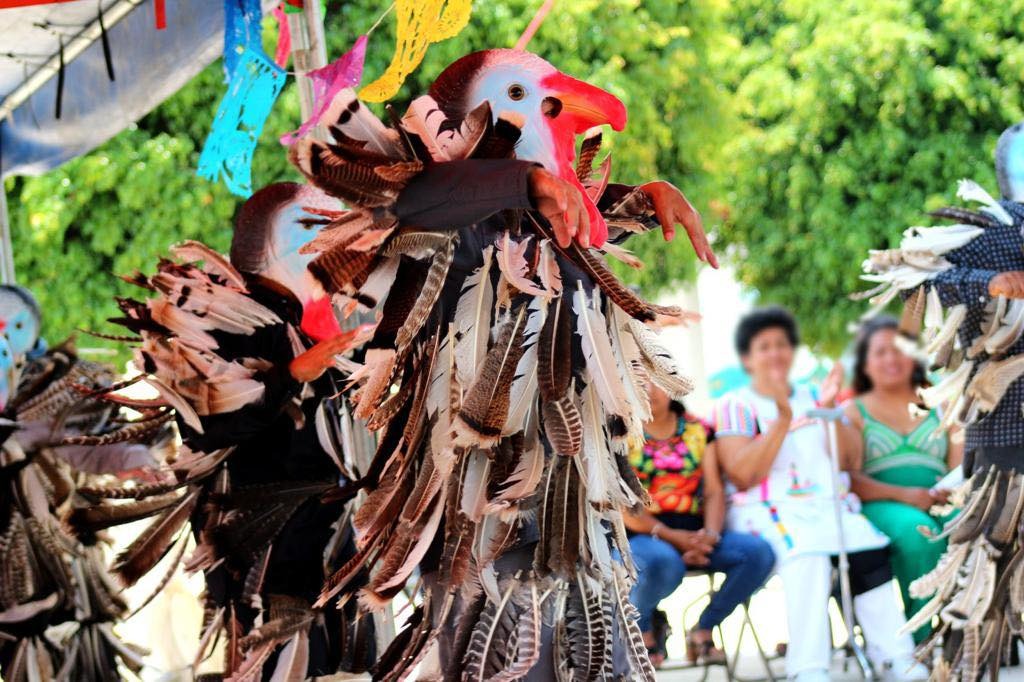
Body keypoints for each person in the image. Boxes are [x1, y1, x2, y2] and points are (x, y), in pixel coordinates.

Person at [858, 121, 1024, 677]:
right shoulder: (993, 232)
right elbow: (917, 278)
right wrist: (995, 282)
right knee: (985, 574)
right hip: (1002, 430)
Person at [714, 306, 926, 681]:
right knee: (808, 556)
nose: (776, 353)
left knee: (868, 550)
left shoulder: (816, 393)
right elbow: (743, 474)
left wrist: (830, 409)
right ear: (748, 357)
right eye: (764, 346)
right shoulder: (737, 404)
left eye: (782, 344)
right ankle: (808, 667)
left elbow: (850, 458)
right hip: (766, 510)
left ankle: (895, 657)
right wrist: (781, 421)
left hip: (827, 507)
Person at [626, 384, 775, 667]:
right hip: (645, 531)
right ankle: (642, 629)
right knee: (663, 562)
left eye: (656, 380)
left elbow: (714, 491)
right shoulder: (620, 432)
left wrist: (709, 535)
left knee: (758, 554)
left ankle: (704, 628)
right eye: (638, 380)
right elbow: (621, 505)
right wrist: (672, 538)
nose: (648, 389)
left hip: (695, 529)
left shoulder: (699, 430)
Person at [841, 316, 962, 643]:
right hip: (881, 504)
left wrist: (946, 495)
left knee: (970, 526)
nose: (891, 359)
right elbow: (849, 478)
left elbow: (961, 466)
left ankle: (966, 629)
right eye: (880, 352)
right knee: (916, 533)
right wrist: (908, 495)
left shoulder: (943, 402)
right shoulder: (853, 412)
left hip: (942, 499)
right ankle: (920, 637)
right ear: (865, 362)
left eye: (899, 350)